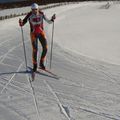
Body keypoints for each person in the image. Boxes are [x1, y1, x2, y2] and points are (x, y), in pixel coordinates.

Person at [19, 3, 56, 72]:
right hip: (33, 34)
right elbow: (23, 23)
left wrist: (52, 19)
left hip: (41, 33)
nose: (34, 11)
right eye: (33, 10)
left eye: (35, 9)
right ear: (31, 10)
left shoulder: (42, 13)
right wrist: (21, 23)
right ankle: (35, 65)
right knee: (35, 50)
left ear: (38, 9)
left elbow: (49, 21)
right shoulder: (29, 15)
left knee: (45, 48)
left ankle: (41, 63)